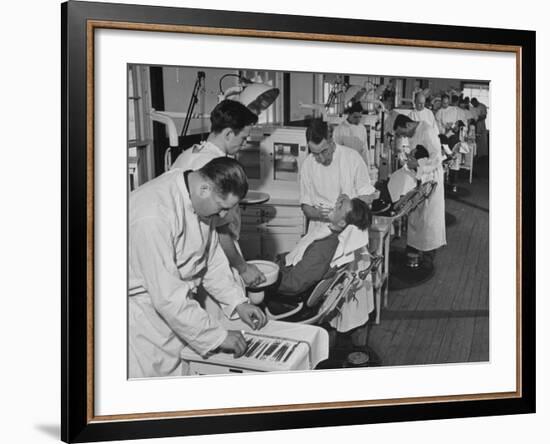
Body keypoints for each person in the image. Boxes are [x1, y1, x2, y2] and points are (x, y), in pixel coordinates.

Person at [128, 157, 267, 378]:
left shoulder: (197, 197)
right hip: (141, 322)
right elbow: (167, 297)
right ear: (204, 188)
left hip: (174, 314)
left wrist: (237, 301)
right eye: (222, 208)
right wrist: (218, 336)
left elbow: (208, 260)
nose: (223, 216)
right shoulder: (152, 216)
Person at [171, 100, 265, 288]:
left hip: (184, 258)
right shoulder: (217, 168)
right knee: (228, 310)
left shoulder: (187, 155)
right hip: (214, 256)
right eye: (243, 138)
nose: (244, 143)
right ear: (229, 133)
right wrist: (243, 268)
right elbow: (220, 231)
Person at [272, 195, 372, 296]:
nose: (336, 204)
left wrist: (266, 277)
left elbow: (292, 284)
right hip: (286, 271)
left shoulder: (322, 249)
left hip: (283, 289)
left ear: (342, 223)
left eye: (340, 206)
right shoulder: (331, 236)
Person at [299, 118, 378, 233]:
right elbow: (306, 206)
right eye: (315, 154)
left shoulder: (352, 158)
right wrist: (321, 215)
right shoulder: (308, 164)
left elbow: (368, 198)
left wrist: (347, 208)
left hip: (350, 229)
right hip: (319, 230)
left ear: (331, 141)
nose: (321, 158)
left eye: (324, 151)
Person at [393, 115, 446, 266]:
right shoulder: (414, 133)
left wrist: (418, 164)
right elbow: (416, 152)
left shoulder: (427, 131)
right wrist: (411, 159)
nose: (405, 136)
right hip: (419, 176)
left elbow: (437, 158)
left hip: (431, 177)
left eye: (404, 133)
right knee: (415, 214)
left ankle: (429, 255)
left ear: (409, 124)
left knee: (429, 218)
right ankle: (414, 249)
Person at [332, 101, 370, 167]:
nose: (358, 120)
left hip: (358, 164)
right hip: (344, 165)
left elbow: (365, 151)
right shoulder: (339, 129)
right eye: (355, 117)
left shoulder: (362, 129)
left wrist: (367, 167)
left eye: (360, 117)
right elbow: (335, 152)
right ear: (349, 115)